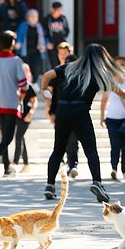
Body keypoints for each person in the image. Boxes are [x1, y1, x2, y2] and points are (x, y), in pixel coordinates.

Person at [41, 44, 125, 202]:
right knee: (91, 150)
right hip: (81, 114)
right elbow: (121, 92)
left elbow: (46, 75)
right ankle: (97, 183)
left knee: (58, 150)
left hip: (63, 112)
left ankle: (50, 185)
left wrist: (45, 90)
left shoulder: (68, 67)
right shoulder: (98, 75)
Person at [0, 30, 28, 179]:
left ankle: (7, 168)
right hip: (11, 102)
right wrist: (20, 97)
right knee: (8, 137)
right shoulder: (16, 60)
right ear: (12, 43)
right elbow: (24, 85)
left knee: (4, 136)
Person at [45, 42, 80, 178]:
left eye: (66, 53)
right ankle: (63, 163)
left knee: (73, 138)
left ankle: (73, 165)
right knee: (61, 139)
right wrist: (50, 111)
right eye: (61, 53)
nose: (63, 56)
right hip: (60, 110)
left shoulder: (78, 71)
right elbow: (51, 94)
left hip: (75, 109)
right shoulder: (55, 71)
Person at [12, 63, 38, 173]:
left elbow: (34, 101)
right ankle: (26, 165)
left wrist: (31, 113)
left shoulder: (28, 86)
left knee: (18, 137)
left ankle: (15, 162)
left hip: (26, 116)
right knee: (21, 138)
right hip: (17, 115)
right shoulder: (16, 85)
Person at [15, 9, 47, 85]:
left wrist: (46, 43)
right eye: (31, 16)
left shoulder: (39, 26)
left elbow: (43, 37)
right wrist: (18, 42)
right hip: (25, 52)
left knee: (37, 68)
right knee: (25, 69)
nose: (34, 18)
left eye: (36, 16)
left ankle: (34, 83)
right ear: (27, 17)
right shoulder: (23, 25)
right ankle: (26, 85)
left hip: (36, 51)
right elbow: (19, 35)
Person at [42, 1, 70, 69]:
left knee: (64, 62)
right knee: (54, 64)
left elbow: (67, 30)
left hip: (62, 44)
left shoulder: (63, 18)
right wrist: (47, 43)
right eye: (58, 10)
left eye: (60, 10)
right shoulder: (47, 19)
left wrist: (64, 39)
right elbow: (43, 32)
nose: (60, 12)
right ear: (53, 9)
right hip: (52, 45)